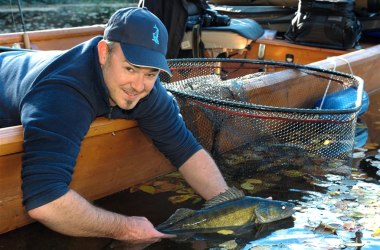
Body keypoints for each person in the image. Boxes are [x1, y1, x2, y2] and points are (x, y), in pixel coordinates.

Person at [0, 7, 228, 242]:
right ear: (103, 52)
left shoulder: (146, 90)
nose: (138, 86)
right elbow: (45, 200)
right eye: (130, 68)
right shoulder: (62, 95)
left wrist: (232, 203)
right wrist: (125, 228)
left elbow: (186, 151)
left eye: (151, 73)